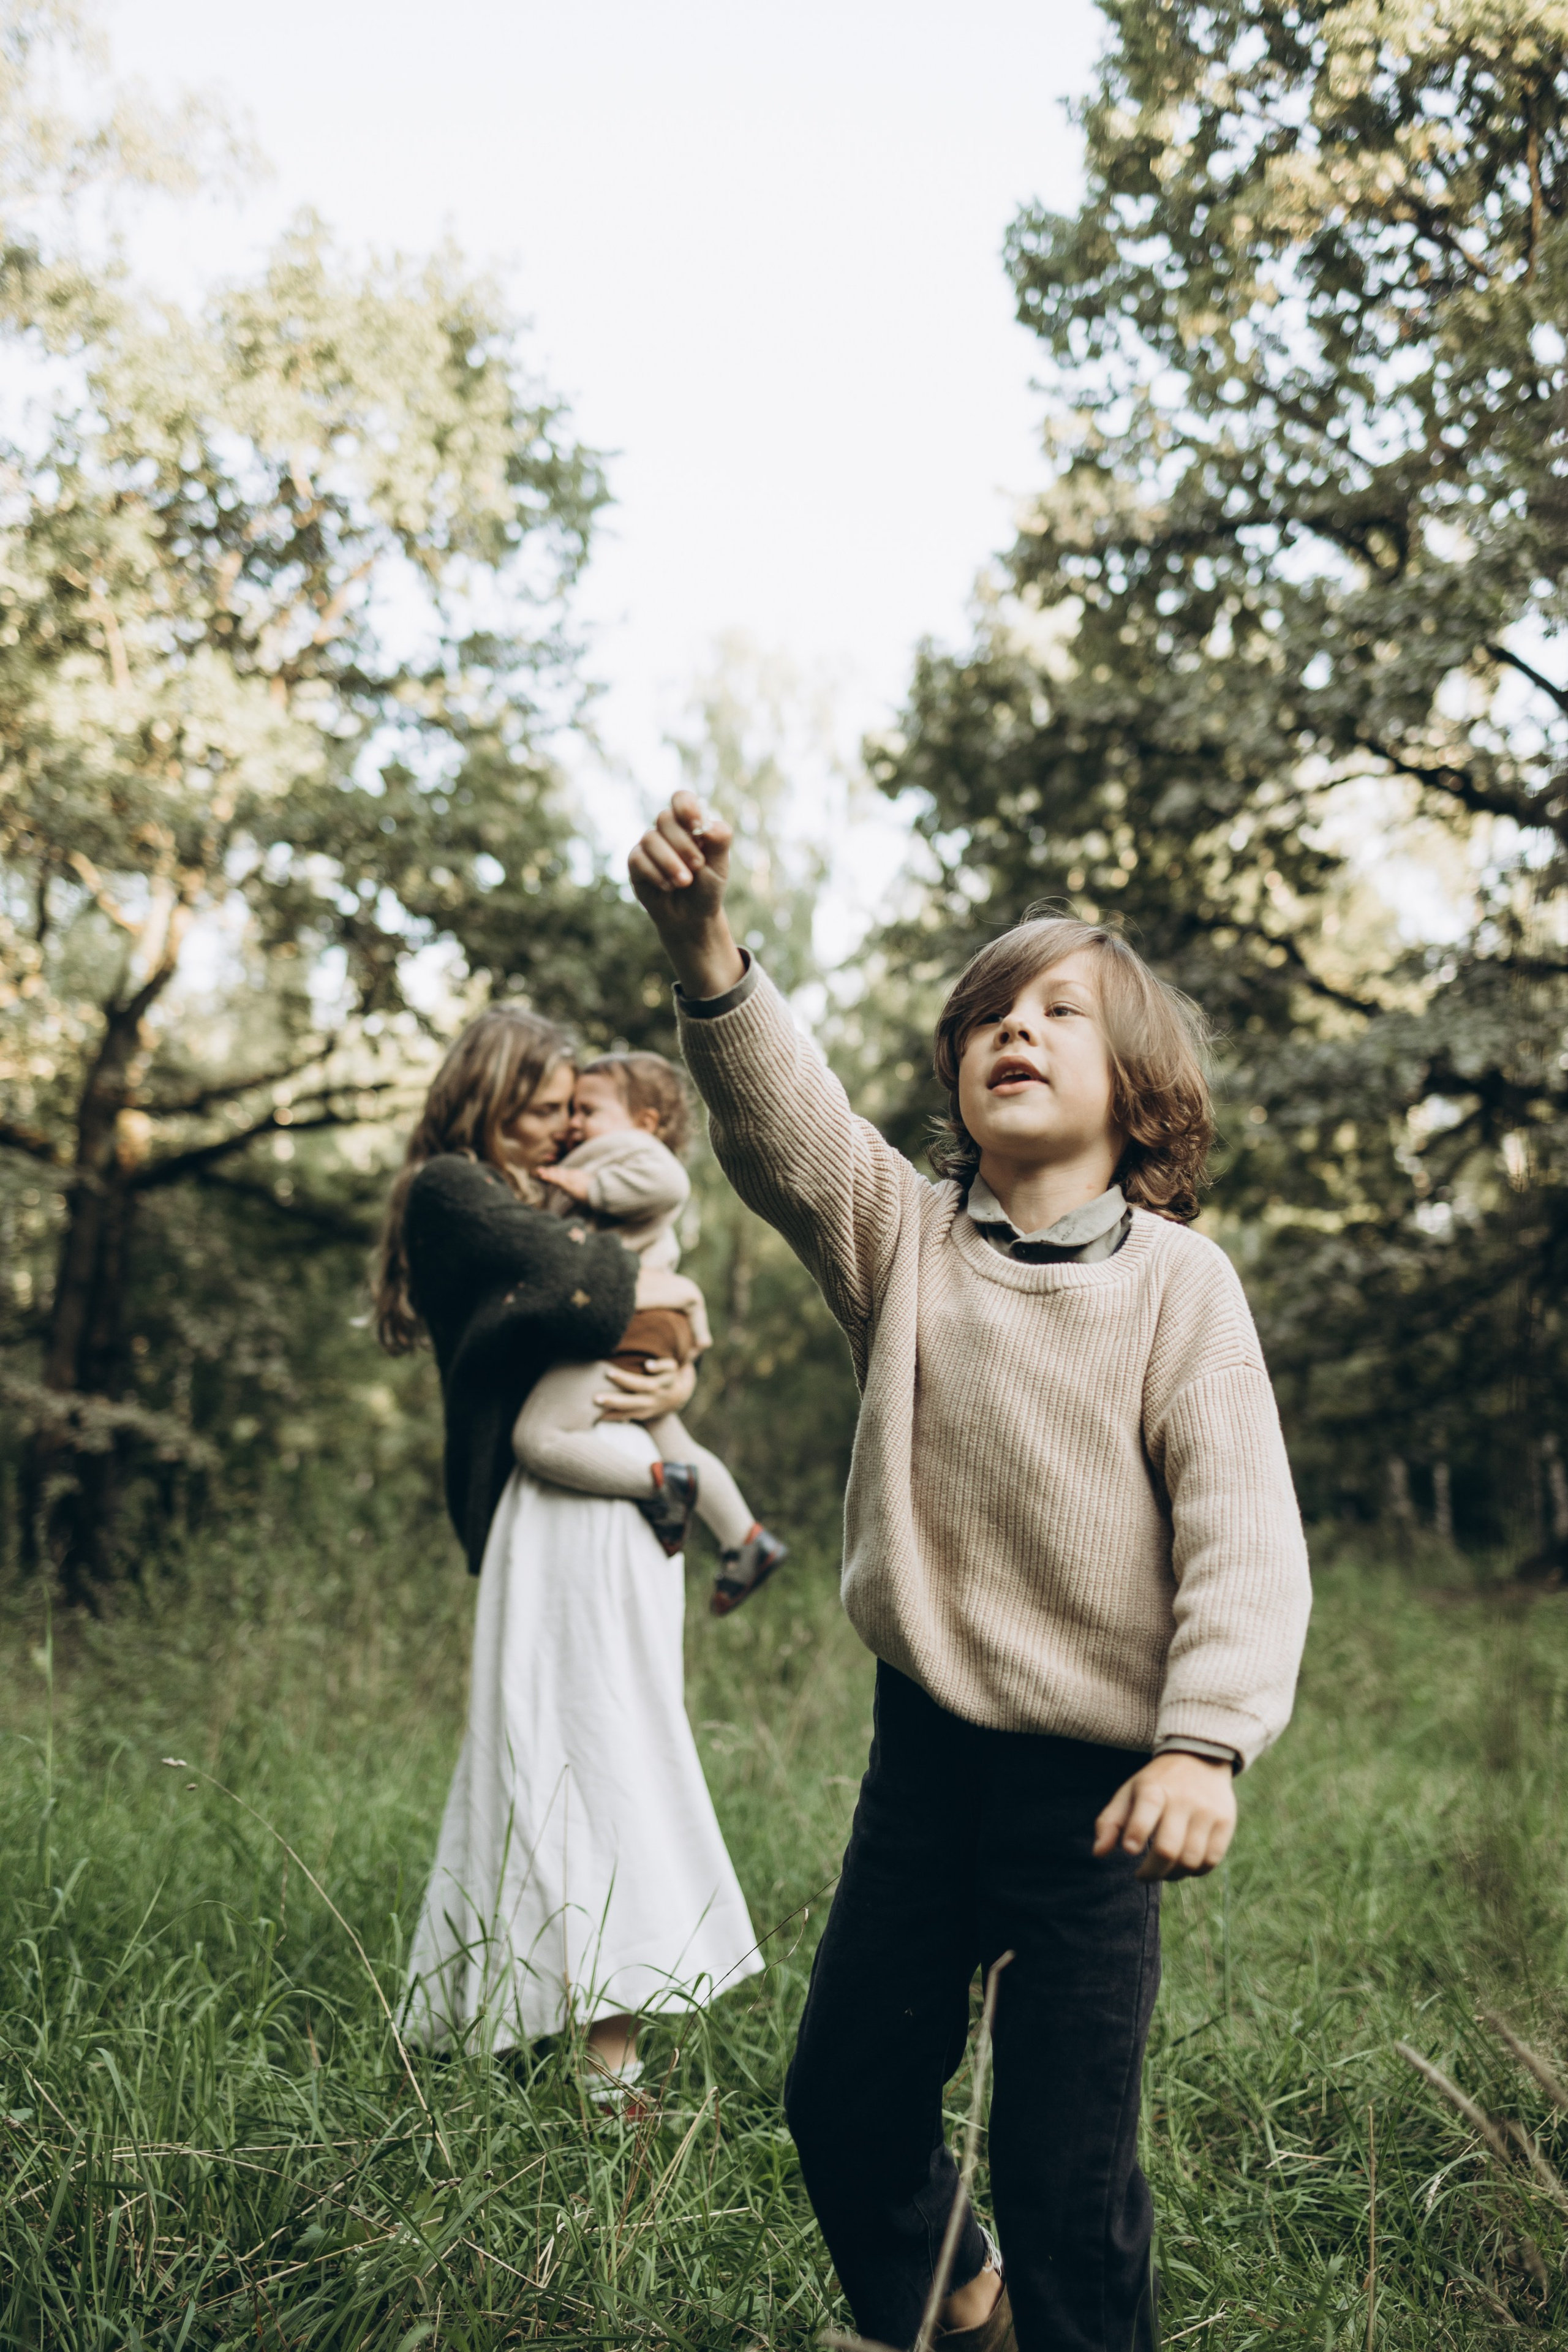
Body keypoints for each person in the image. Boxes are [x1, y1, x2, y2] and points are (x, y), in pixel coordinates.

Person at [628, 792, 1312, 2352]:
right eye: (986, 1014)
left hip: (1093, 1797)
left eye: (1058, 1012)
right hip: (923, 1761)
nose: (1014, 1028)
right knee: (843, 2094)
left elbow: (1238, 1529)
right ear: (953, 1070)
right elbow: (788, 1127)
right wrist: (701, 945)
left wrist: (1201, 1742)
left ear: (1136, 1094)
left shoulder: (1177, 1288)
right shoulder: (909, 1243)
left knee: (1064, 2165)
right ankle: (956, 2306)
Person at [374, 1004, 761, 2092]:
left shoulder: (526, 1192)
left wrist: (673, 1368)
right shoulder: (453, 1191)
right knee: (545, 1758)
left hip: (605, 1505)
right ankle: (528, 2038)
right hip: (550, 1510)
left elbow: (628, 1308)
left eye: (565, 1112)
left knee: (594, 1749)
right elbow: (595, 1289)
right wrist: (665, 1325)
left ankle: (591, 2056)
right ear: (487, 1099)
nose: (557, 1132)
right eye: (542, 1110)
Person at [516, 1047, 788, 1615]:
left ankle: (661, 1485)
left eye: (588, 1109)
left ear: (645, 1123)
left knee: (538, 1439)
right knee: (670, 1435)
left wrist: (589, 1188)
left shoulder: (619, 1156)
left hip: (629, 1319)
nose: (574, 1123)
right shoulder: (606, 1152)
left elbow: (668, 1181)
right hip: (652, 1320)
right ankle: (744, 1537)